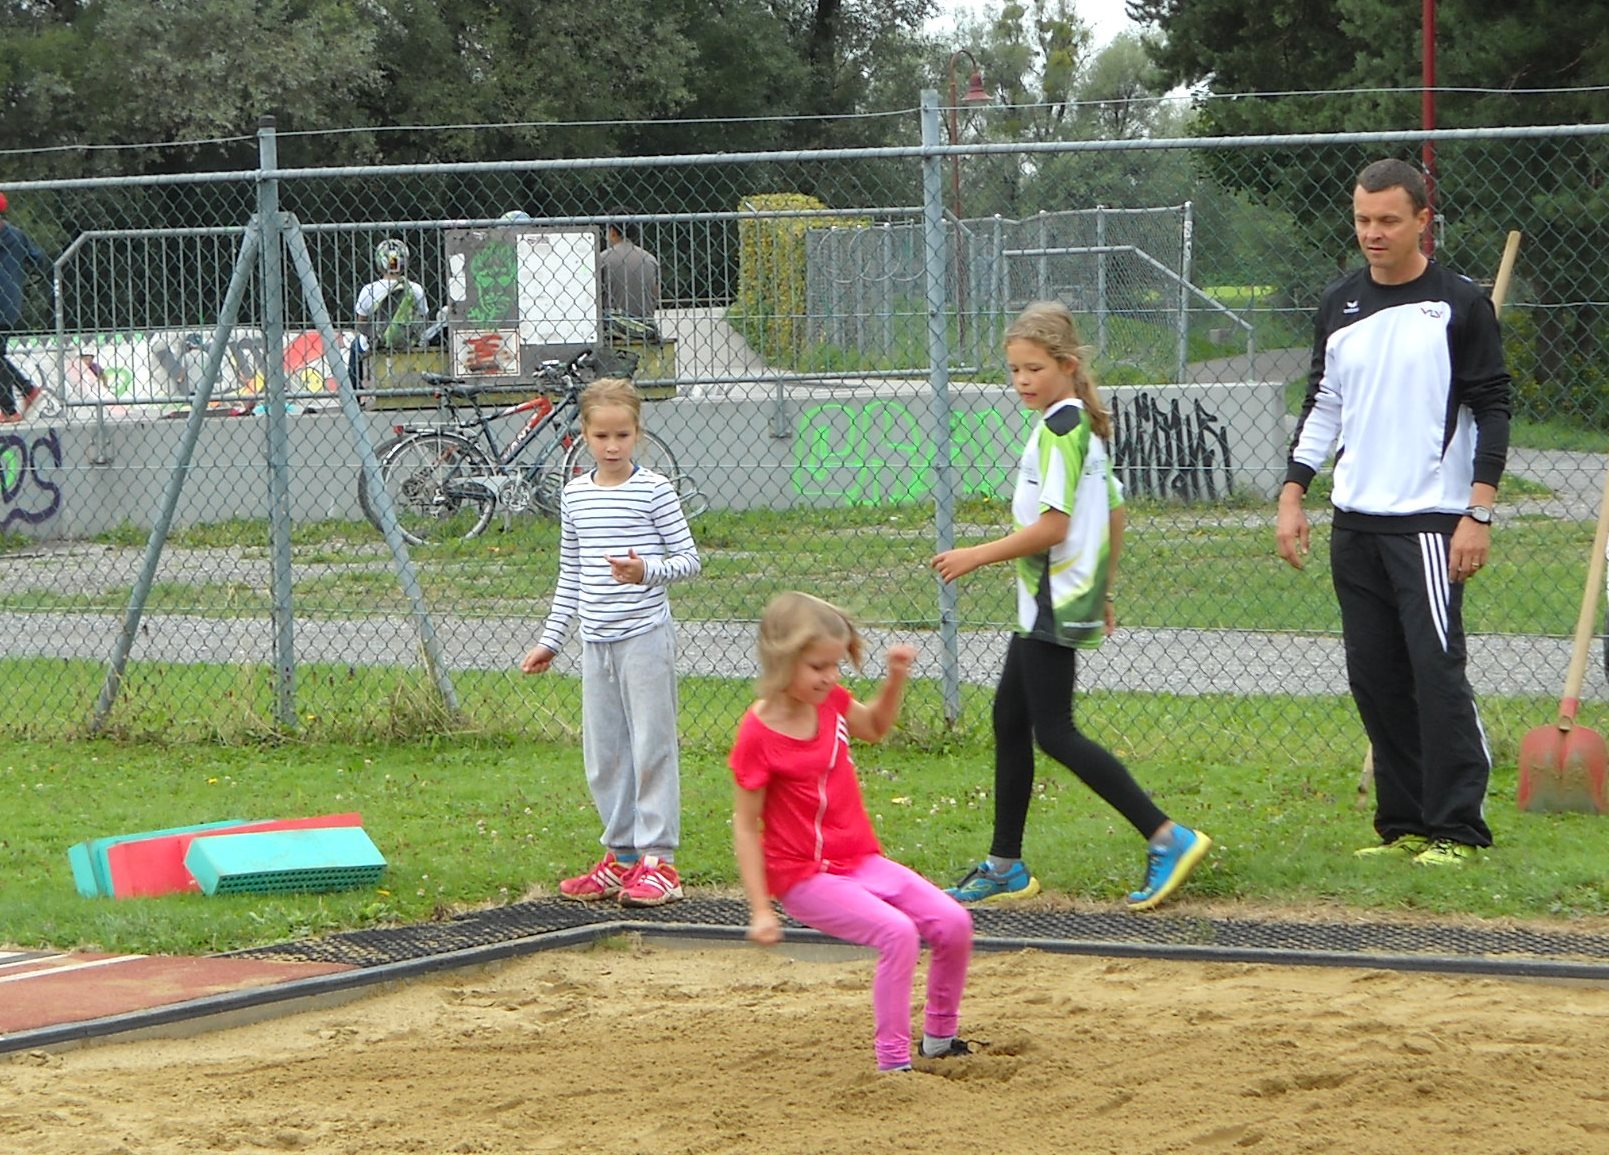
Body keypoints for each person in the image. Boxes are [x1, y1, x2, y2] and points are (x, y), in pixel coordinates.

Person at [931, 301, 1212, 912]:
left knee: (1054, 732)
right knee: (1010, 719)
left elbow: (1055, 527)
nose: (1022, 381)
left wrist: (976, 555)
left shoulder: (1062, 429)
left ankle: (1168, 835)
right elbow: (1114, 510)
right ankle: (1005, 866)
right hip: (1054, 598)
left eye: (1034, 368)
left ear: (1066, 365)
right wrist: (1103, 588)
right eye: (1014, 370)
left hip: (1054, 599)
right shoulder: (1074, 421)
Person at [1277, 158, 1511, 867]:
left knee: (1435, 672)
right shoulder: (1340, 304)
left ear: (1420, 221)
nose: (1372, 233)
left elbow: (1492, 407)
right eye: (1362, 220)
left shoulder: (1459, 304)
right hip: (1356, 523)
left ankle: (1457, 828)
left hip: (1430, 522)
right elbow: (1323, 404)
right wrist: (1293, 493)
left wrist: (1478, 512)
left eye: (1387, 220)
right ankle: (1403, 821)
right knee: (1375, 678)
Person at [730, 592, 974, 1073]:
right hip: (803, 876)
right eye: (818, 666)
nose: (831, 677)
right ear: (782, 659)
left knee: (953, 923)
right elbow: (744, 824)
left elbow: (876, 727)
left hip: (858, 859)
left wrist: (895, 677)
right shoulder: (757, 735)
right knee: (897, 933)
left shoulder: (831, 702)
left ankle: (940, 1040)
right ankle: (893, 1064)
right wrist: (761, 909)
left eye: (837, 665)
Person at [521, 377, 701, 906]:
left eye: (622, 435)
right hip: (595, 644)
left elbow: (689, 560)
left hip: (644, 638)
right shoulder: (575, 495)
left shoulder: (655, 491)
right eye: (602, 436)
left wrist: (646, 571)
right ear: (585, 435)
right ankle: (621, 858)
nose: (613, 446)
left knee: (651, 747)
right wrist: (552, 640)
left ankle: (660, 862)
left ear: (637, 433)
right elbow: (571, 575)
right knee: (604, 754)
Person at [0, 191, 53, 424]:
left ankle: (11, 407)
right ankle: (24, 393)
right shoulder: (16, 234)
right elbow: (38, 259)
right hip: (12, 302)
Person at [348, 238, 429, 388]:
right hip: (407, 339)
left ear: (379, 263)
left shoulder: (369, 290)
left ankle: (354, 392)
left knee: (355, 346)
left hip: (376, 342)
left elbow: (361, 323)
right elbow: (424, 317)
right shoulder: (415, 289)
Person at [599, 214, 660, 336]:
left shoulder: (602, 259)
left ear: (612, 232)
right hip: (645, 327)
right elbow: (655, 294)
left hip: (612, 328)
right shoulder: (650, 259)